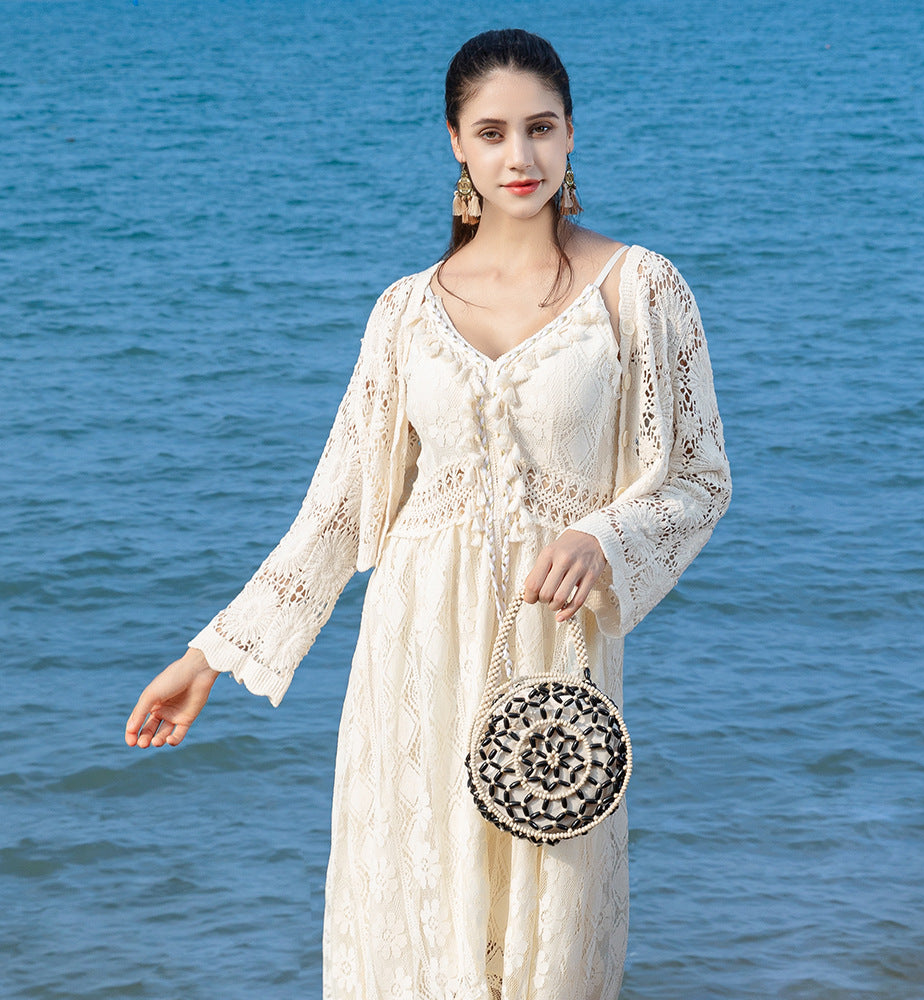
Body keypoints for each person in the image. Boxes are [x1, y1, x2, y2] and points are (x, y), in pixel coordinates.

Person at [126, 27, 731, 1000]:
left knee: (551, 939)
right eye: (492, 133)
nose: (520, 156)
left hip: (554, 659)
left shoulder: (639, 289)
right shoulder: (404, 312)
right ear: (456, 143)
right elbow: (335, 512)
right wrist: (209, 657)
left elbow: (698, 477)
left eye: (540, 128)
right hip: (411, 662)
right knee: (414, 924)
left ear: (571, 134)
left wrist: (602, 536)